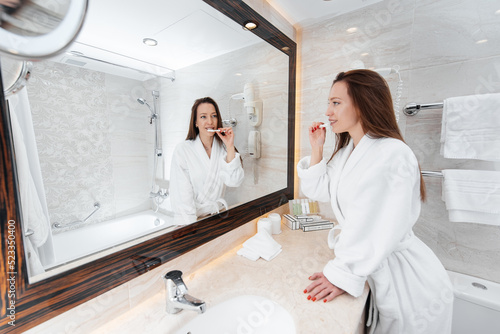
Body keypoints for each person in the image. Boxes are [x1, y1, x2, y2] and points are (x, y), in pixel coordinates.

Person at [297, 70, 453, 333]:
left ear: (363, 103)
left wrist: (342, 274)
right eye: (329, 103)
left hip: (410, 285)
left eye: (336, 103)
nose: (328, 111)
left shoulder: (393, 154)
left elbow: (376, 225)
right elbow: (320, 190)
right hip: (375, 265)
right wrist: (316, 149)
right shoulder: (350, 151)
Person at [170, 97, 244, 225]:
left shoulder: (223, 149)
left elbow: (234, 181)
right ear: (196, 122)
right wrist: (189, 226)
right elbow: (182, 195)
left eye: (214, 116)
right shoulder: (183, 150)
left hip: (218, 216)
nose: (210, 121)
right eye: (203, 117)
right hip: (194, 220)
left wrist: (230, 146)